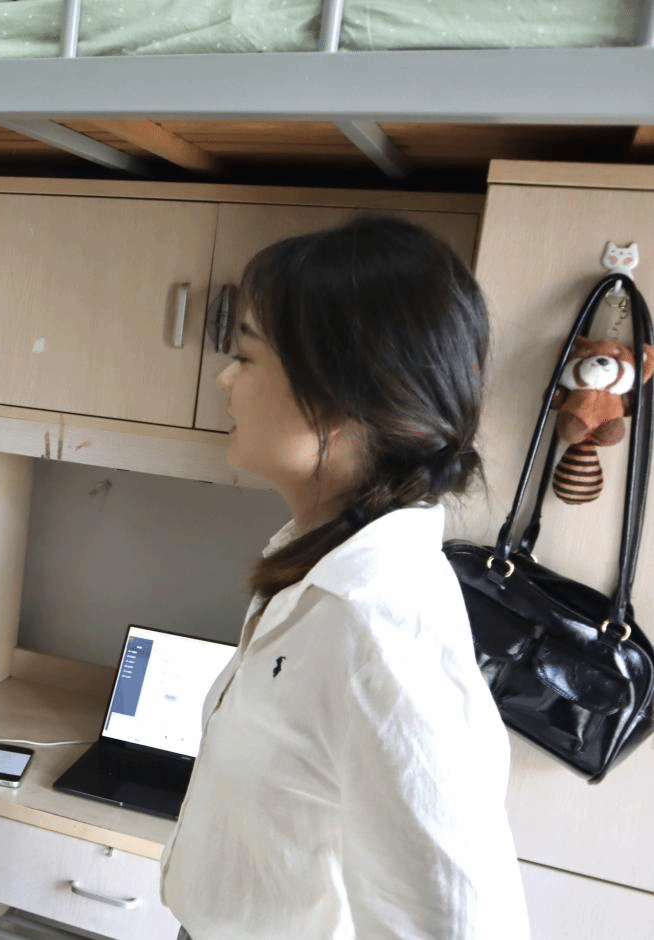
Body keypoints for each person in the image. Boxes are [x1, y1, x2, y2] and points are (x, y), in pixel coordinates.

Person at [161, 216, 529, 939]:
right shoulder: (321, 570)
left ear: (337, 392)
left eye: (246, 355)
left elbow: (458, 920)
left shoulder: (378, 620)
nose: (225, 378)